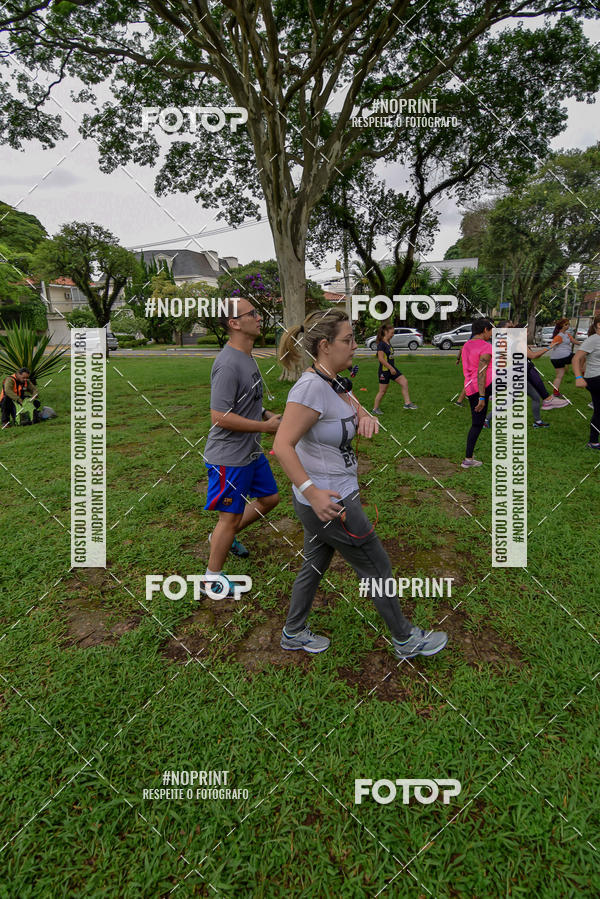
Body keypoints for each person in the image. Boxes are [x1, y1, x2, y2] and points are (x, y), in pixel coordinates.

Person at [273, 308, 447, 660]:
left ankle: (293, 632)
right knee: (377, 565)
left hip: (327, 499)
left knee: (314, 564)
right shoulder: (309, 388)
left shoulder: (332, 380)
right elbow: (281, 445)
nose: (355, 346)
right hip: (331, 502)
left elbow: (352, 401)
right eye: (348, 340)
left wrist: (365, 416)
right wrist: (313, 492)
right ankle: (404, 638)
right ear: (325, 345)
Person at [202, 297, 281, 596]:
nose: (259, 317)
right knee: (229, 517)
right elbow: (219, 416)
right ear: (234, 323)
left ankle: (221, 536)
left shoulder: (247, 356)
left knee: (270, 499)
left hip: (249, 452)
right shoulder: (227, 364)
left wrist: (266, 415)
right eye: (253, 314)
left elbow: (245, 403)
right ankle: (212, 578)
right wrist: (265, 427)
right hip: (228, 458)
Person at [461, 319, 493, 468]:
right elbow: (481, 372)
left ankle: (468, 459)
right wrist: (482, 396)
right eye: (491, 331)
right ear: (485, 330)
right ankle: (468, 459)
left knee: (477, 424)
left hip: (470, 387)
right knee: (477, 424)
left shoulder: (466, 345)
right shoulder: (486, 346)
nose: (492, 334)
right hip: (481, 388)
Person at [372, 323, 417, 414]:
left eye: (393, 333)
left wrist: (392, 368)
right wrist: (390, 368)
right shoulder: (381, 344)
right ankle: (375, 409)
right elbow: (380, 359)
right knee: (382, 391)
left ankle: (407, 403)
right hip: (385, 371)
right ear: (385, 332)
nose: (393, 335)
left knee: (404, 382)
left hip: (392, 369)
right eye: (392, 333)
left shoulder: (388, 342)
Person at [572, 315, 600, 450]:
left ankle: (593, 441)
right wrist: (578, 377)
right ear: (599, 325)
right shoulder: (593, 340)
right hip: (595, 378)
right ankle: (593, 441)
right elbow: (576, 359)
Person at [526, 344, 569, 427]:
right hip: (520, 375)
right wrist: (550, 346)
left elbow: (533, 356)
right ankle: (548, 400)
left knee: (536, 397)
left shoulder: (519, 342)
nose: (528, 333)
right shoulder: (518, 341)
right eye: (526, 331)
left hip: (525, 373)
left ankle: (538, 422)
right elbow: (533, 355)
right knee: (510, 401)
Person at [548, 318, 579, 397]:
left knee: (559, 376)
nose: (568, 325)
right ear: (562, 326)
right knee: (580, 357)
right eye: (566, 324)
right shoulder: (559, 336)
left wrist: (585, 343)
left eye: (568, 324)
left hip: (555, 359)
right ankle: (581, 374)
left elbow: (574, 341)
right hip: (563, 356)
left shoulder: (567, 335)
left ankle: (555, 392)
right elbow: (552, 344)